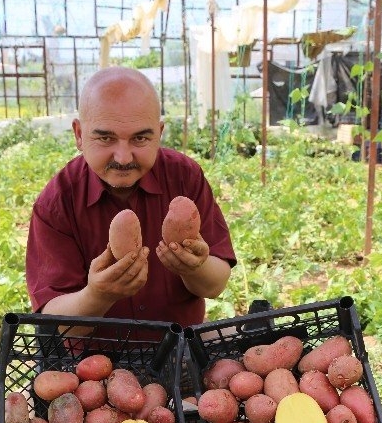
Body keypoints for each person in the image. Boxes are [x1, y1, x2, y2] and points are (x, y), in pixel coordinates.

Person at [25, 66, 235, 328]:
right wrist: (97, 296)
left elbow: (215, 285)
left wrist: (194, 268)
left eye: (140, 138)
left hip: (177, 348)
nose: (123, 157)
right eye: (105, 138)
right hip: (91, 358)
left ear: (159, 133)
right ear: (79, 134)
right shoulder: (58, 202)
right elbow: (55, 323)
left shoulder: (184, 177)